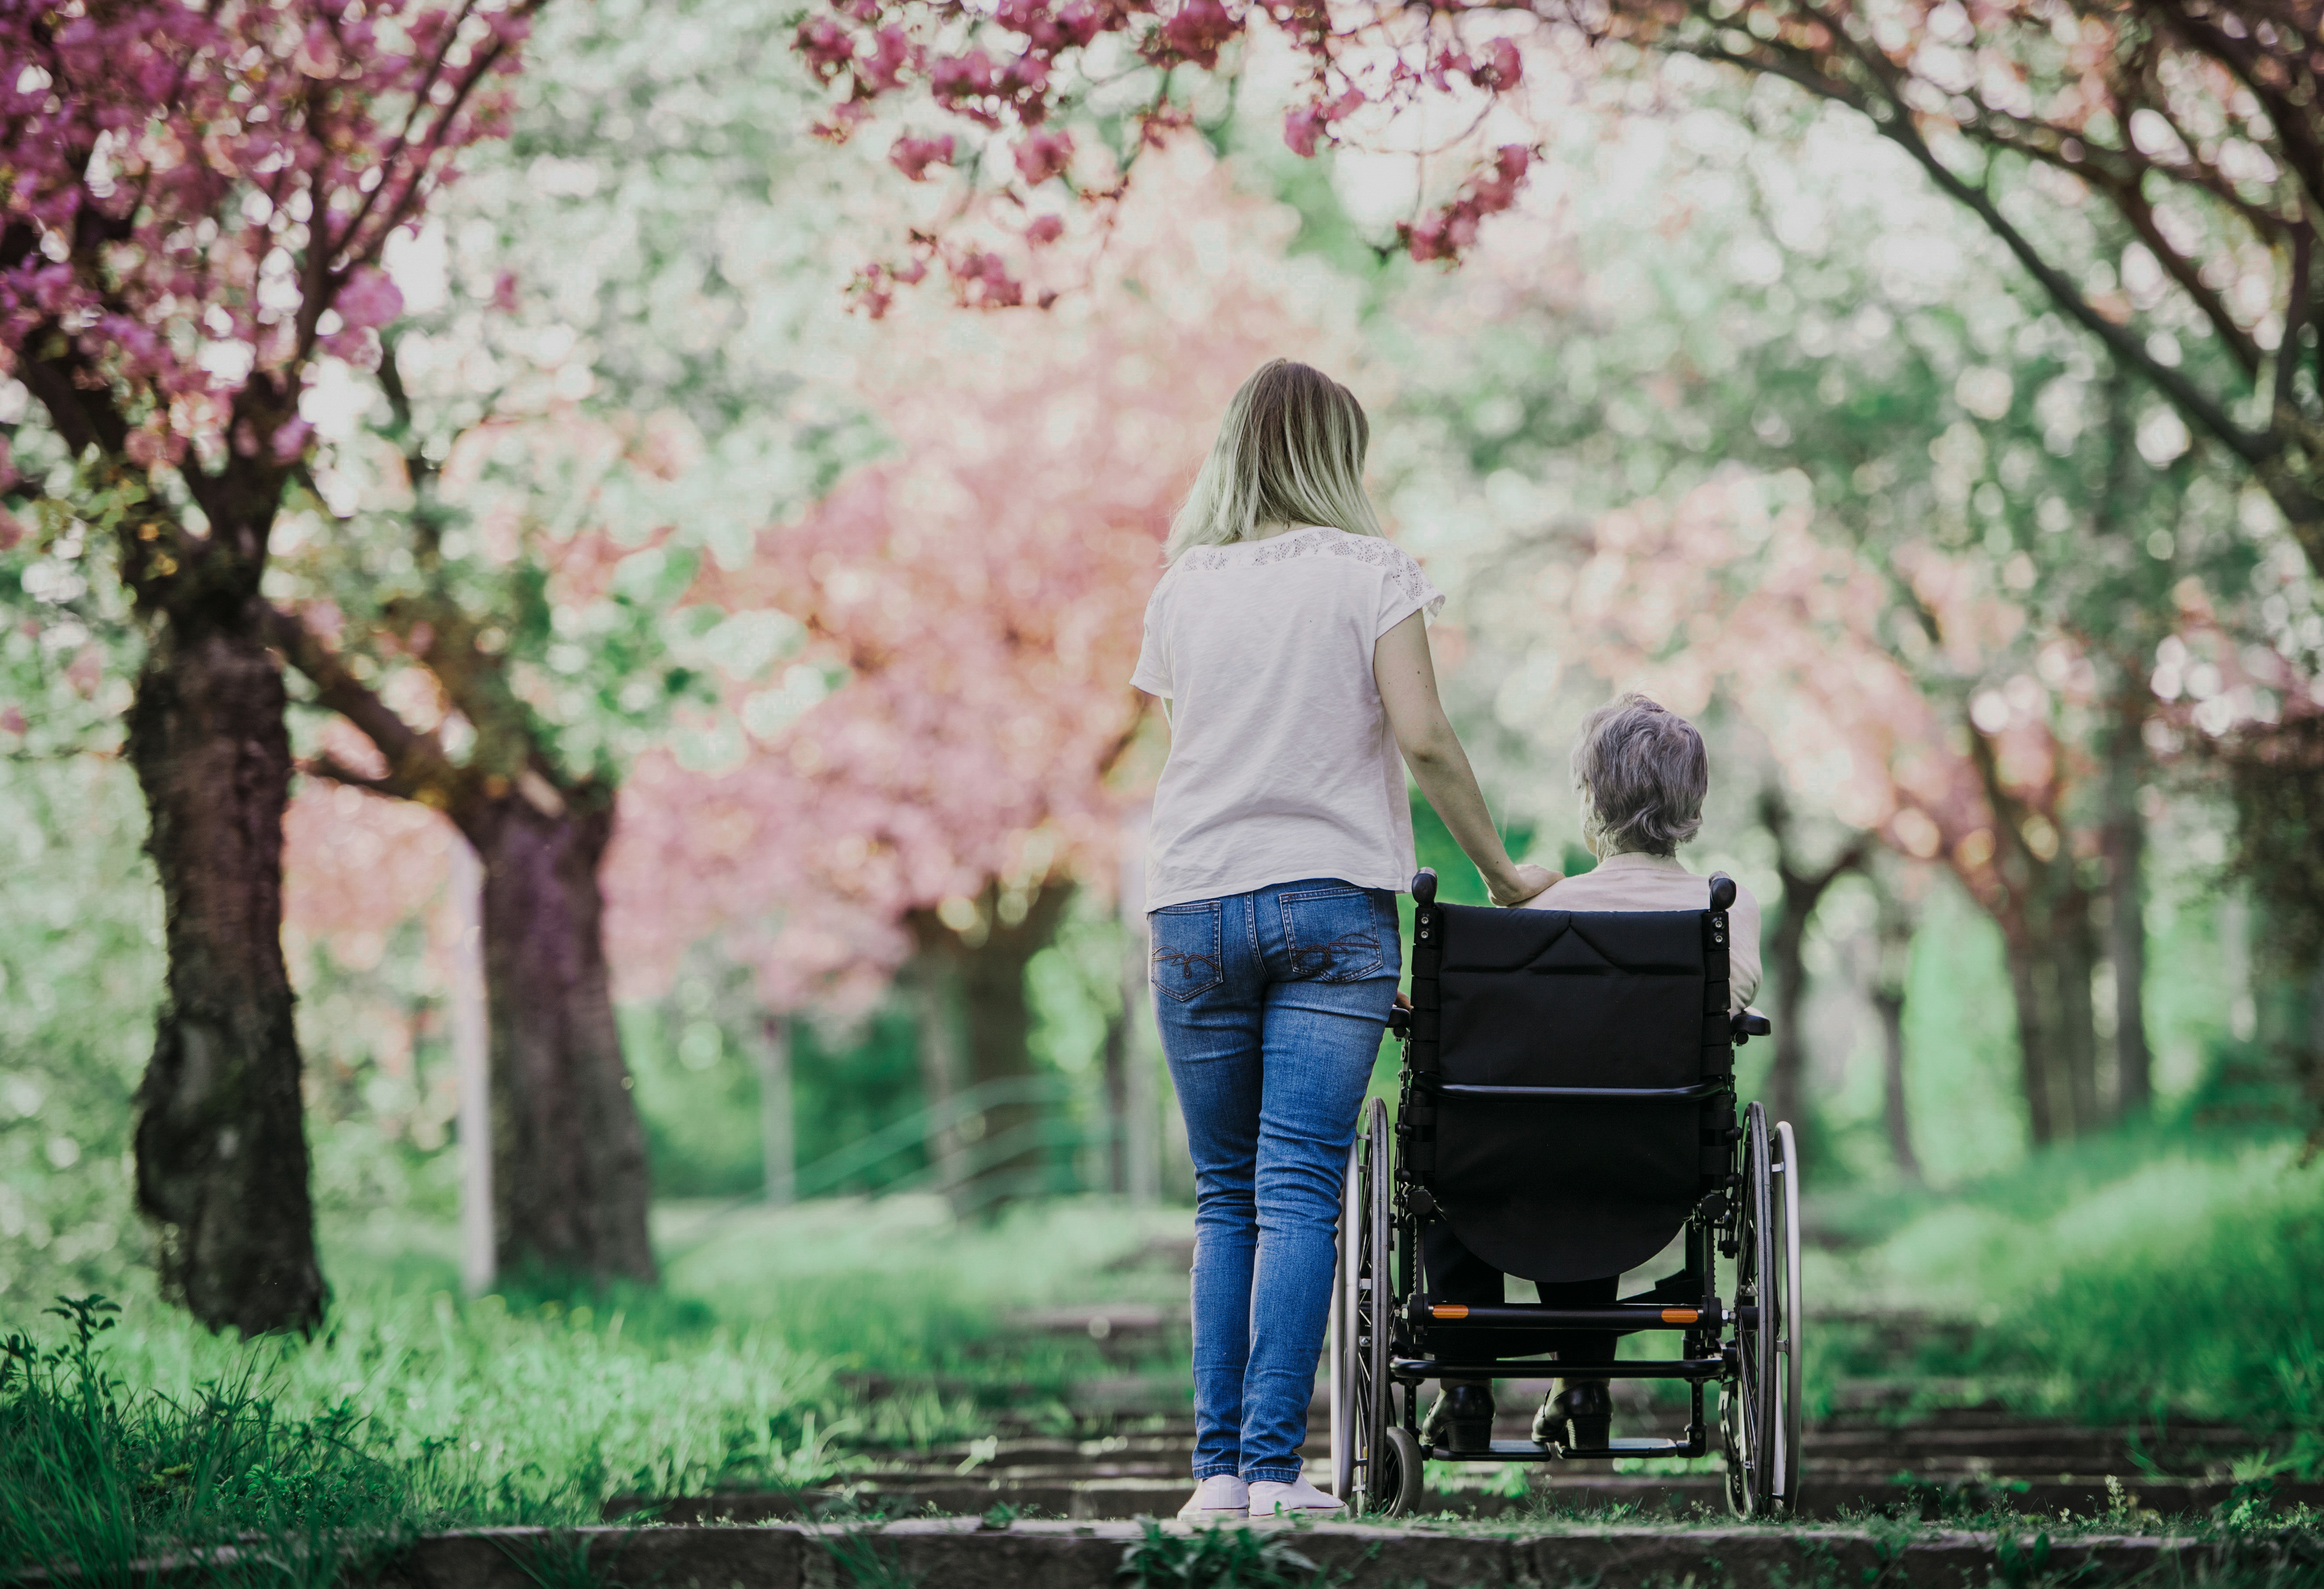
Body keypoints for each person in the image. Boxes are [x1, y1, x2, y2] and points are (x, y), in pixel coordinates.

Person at [1133, 359, 1558, 1521]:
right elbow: (1421, 738)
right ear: (1337, 454)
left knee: (1224, 1199)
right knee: (1295, 1196)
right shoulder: (1374, 570)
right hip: (1329, 909)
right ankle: (1274, 1471)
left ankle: (1214, 1478)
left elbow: (1195, 753)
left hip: (1192, 908)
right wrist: (1504, 872)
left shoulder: (1180, 589)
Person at [1417, 693, 1764, 1456]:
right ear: (1693, 801)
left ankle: (1467, 1385)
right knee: (1597, 1139)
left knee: (1473, 1139)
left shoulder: (1540, 914)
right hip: (1657, 1162)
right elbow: (1733, 1003)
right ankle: (1582, 1385)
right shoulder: (1727, 917)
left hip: (1514, 1162)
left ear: (1592, 800)